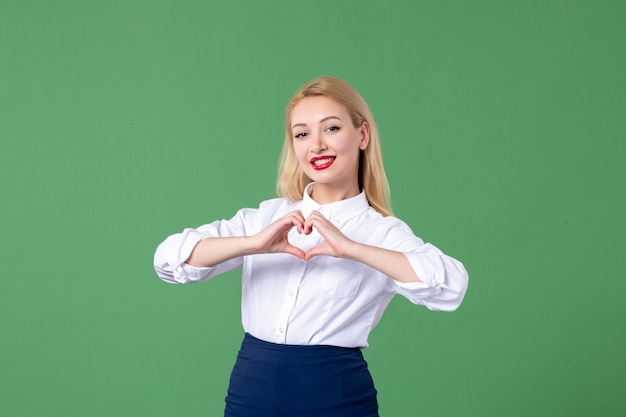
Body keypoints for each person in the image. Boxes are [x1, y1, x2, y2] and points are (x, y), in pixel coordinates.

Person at [153, 75, 469, 417]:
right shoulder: (266, 218)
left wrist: (352, 249)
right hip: (251, 393)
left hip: (336, 397)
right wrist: (253, 244)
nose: (316, 145)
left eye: (330, 128)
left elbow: (451, 287)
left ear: (362, 135)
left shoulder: (380, 232)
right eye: (302, 134)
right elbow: (169, 260)